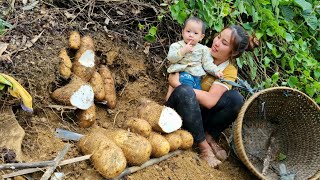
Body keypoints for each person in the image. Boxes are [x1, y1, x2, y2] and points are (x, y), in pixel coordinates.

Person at [165, 25, 259, 168]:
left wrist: (178, 84)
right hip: (178, 110)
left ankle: (209, 136)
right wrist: (176, 88)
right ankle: (204, 147)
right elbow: (173, 86)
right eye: (219, 37)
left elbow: (210, 101)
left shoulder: (229, 70)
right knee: (185, 92)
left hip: (200, 114)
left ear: (233, 53)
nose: (216, 42)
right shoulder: (197, 51)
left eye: (224, 43)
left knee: (235, 99)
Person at [165, 17, 223, 101]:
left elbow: (207, 64)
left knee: (196, 96)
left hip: (197, 77)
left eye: (195, 33)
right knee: (187, 93)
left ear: (201, 37)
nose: (191, 35)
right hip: (183, 73)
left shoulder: (203, 49)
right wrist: (183, 51)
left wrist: (216, 71)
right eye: (188, 31)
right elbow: (171, 58)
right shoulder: (177, 46)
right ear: (182, 32)